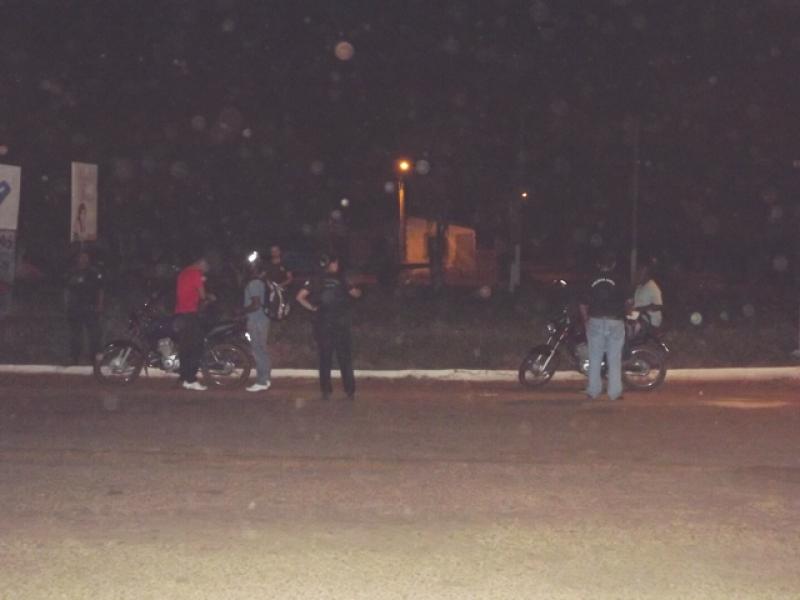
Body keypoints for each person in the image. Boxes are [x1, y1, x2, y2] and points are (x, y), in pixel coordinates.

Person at [296, 254, 362, 401]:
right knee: (344, 357)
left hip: (323, 323)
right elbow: (355, 293)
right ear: (331, 264)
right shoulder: (342, 278)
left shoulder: (315, 279)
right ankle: (349, 390)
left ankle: (326, 390)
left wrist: (313, 308)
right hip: (340, 323)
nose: (337, 265)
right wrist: (359, 290)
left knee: (325, 358)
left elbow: (299, 297)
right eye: (336, 263)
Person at [579, 250, 628, 401]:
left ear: (598, 264)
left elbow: (583, 303)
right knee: (614, 358)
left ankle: (593, 391)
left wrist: (586, 320)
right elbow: (629, 302)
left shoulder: (591, 279)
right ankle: (615, 392)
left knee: (595, 357)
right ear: (613, 264)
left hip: (595, 320)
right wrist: (625, 313)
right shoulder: (620, 279)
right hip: (615, 321)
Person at [174, 254, 211, 391]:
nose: (205, 270)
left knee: (185, 347)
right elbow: (202, 295)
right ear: (201, 263)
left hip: (180, 313)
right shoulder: (195, 273)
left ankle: (185, 377)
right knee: (197, 346)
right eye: (206, 267)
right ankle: (191, 379)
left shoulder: (183, 273)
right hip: (190, 314)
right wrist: (209, 296)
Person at [64, 251, 104, 364]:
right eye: (81, 257)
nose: (83, 260)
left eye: (85, 257)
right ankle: (74, 357)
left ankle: (95, 357)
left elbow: (100, 290)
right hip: (75, 307)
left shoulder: (94, 273)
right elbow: (67, 290)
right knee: (75, 334)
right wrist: (67, 304)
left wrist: (100, 305)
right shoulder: (72, 273)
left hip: (90, 306)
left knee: (94, 333)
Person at [242, 251, 271, 392]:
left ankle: (262, 381)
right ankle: (266, 379)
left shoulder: (253, 284)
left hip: (256, 321)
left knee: (258, 350)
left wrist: (241, 311)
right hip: (263, 320)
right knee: (262, 350)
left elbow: (255, 304)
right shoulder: (262, 283)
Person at [632, 261, 663, 329]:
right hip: (639, 317)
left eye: (640, 273)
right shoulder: (639, 287)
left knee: (633, 327)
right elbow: (636, 303)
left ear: (647, 275)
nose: (637, 275)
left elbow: (658, 306)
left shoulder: (653, 287)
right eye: (637, 273)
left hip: (650, 320)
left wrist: (641, 309)